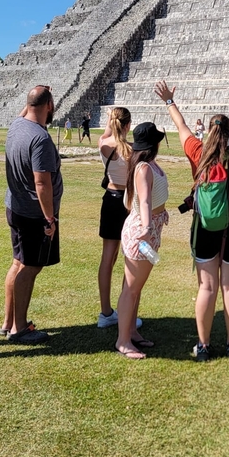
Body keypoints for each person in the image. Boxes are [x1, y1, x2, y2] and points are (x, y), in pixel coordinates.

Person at [154, 76, 229, 361]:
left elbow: (181, 126)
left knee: (206, 287)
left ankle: (204, 345)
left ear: (208, 132)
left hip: (204, 227)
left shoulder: (197, 152)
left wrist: (170, 100)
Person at [1, 86, 61, 345]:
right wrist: (49, 218)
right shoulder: (41, 139)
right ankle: (20, 328)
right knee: (31, 266)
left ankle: (8, 322)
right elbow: (42, 184)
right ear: (49, 104)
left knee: (18, 262)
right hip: (34, 213)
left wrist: (38, 95)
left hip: (15, 206)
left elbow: (28, 108)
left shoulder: (17, 125)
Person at [114, 122, 169, 359]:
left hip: (149, 229)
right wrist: (147, 227)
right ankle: (123, 340)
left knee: (136, 288)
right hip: (143, 231)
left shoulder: (145, 165)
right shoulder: (144, 167)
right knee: (131, 289)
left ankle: (131, 332)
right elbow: (143, 201)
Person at [97, 107, 143, 330]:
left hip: (110, 199)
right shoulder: (133, 150)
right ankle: (129, 313)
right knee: (130, 259)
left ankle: (106, 312)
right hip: (127, 202)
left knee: (108, 258)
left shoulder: (104, 144)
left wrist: (110, 119)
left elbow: (108, 133)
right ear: (128, 126)